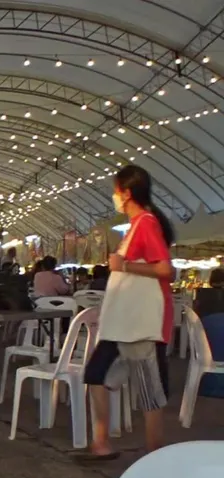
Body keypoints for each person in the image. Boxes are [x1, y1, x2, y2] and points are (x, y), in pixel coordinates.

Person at [80, 165, 175, 462]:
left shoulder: (146, 223)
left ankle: (154, 454)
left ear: (127, 193)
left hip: (143, 322)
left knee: (149, 391)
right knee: (96, 374)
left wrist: (124, 266)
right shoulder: (136, 225)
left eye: (116, 191)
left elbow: (166, 269)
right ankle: (101, 443)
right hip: (122, 322)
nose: (114, 197)